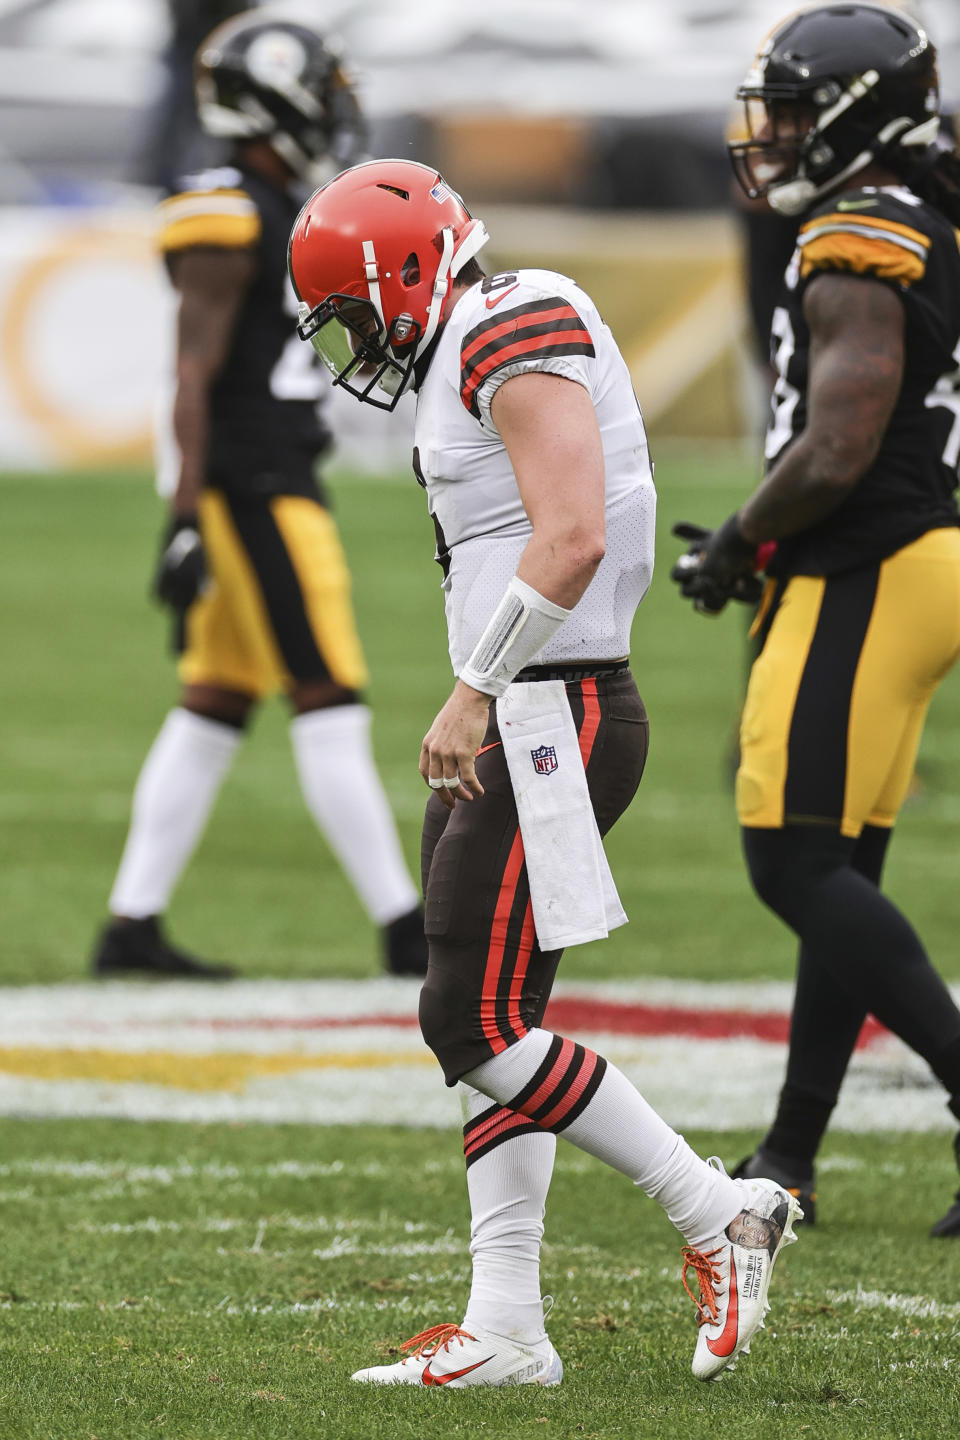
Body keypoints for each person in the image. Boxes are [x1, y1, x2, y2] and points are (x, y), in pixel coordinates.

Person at [288, 157, 803, 1387]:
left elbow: (570, 535)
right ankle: (508, 1324)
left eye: (357, 313)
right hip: (529, 707)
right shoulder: (476, 333)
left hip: (549, 710)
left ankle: (720, 1212)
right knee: (486, 1018)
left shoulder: (513, 314)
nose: (356, 346)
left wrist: (474, 688)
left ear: (407, 273)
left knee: (467, 1018)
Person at [671, 2, 960, 1239]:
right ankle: (789, 1152)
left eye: (793, 112)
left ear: (853, 118)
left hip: (869, 559)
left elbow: (840, 440)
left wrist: (740, 537)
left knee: (791, 860)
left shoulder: (860, 233)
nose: (773, 135)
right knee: (840, 871)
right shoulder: (913, 216)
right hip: (904, 555)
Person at [91, 11, 428, 981]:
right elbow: (190, 373)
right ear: (276, 99)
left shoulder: (275, 202)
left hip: (267, 477)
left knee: (213, 704)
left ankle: (131, 928)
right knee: (329, 699)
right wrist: (186, 511)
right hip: (256, 487)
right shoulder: (226, 209)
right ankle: (406, 925)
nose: (329, 111)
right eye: (316, 92)